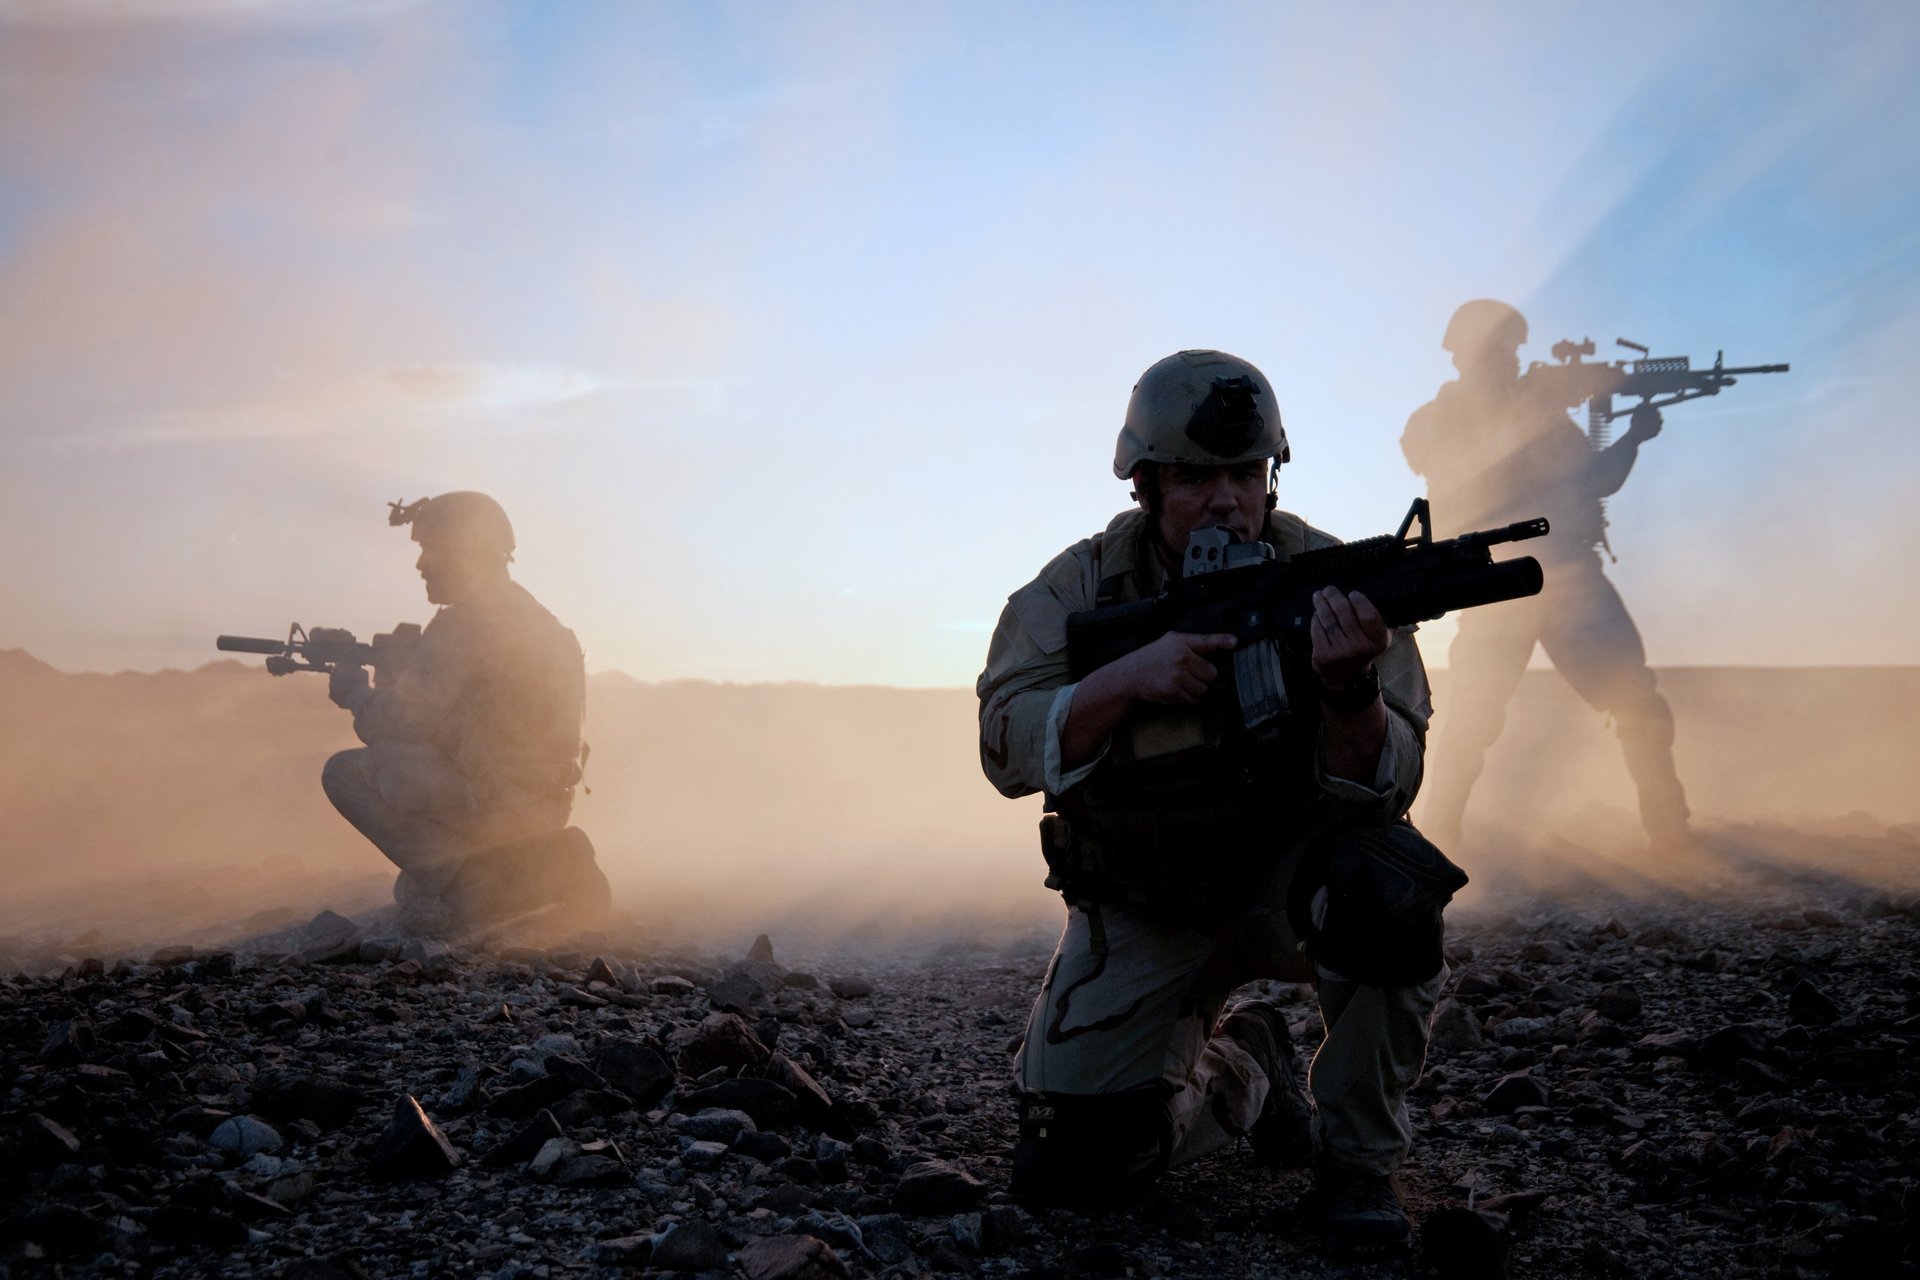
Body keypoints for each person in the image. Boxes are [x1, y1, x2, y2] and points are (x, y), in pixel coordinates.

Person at [977, 350, 1446, 1249]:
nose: (1225, 499)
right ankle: (1248, 1066)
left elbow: (1397, 781)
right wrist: (1126, 682)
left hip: (1296, 893)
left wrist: (1347, 692)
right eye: (1195, 477)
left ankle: (1358, 1165)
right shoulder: (1081, 587)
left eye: (1244, 473)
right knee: (1071, 1165)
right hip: (1152, 897)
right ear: (1145, 486)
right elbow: (1003, 745)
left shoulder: (1335, 578)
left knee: (1389, 882)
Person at [1402, 300, 1689, 849]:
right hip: (1497, 579)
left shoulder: (1539, 412)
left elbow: (1595, 481)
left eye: (1512, 349)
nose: (1510, 360)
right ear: (1464, 355)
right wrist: (1530, 415)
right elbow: (1440, 459)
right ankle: (1437, 836)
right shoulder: (1441, 418)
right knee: (1474, 716)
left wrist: (1629, 434)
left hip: (1561, 576)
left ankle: (1670, 829)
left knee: (1634, 698)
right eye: (1499, 349)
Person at [320, 491, 608, 932]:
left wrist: (356, 692)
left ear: (464, 553)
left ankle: (480, 885)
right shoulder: (535, 618)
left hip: (496, 801)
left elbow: (395, 724)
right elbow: (476, 718)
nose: (422, 565)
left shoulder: (465, 623)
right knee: (411, 887)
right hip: (544, 802)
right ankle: (537, 862)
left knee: (344, 773)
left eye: (430, 550)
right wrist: (402, 672)